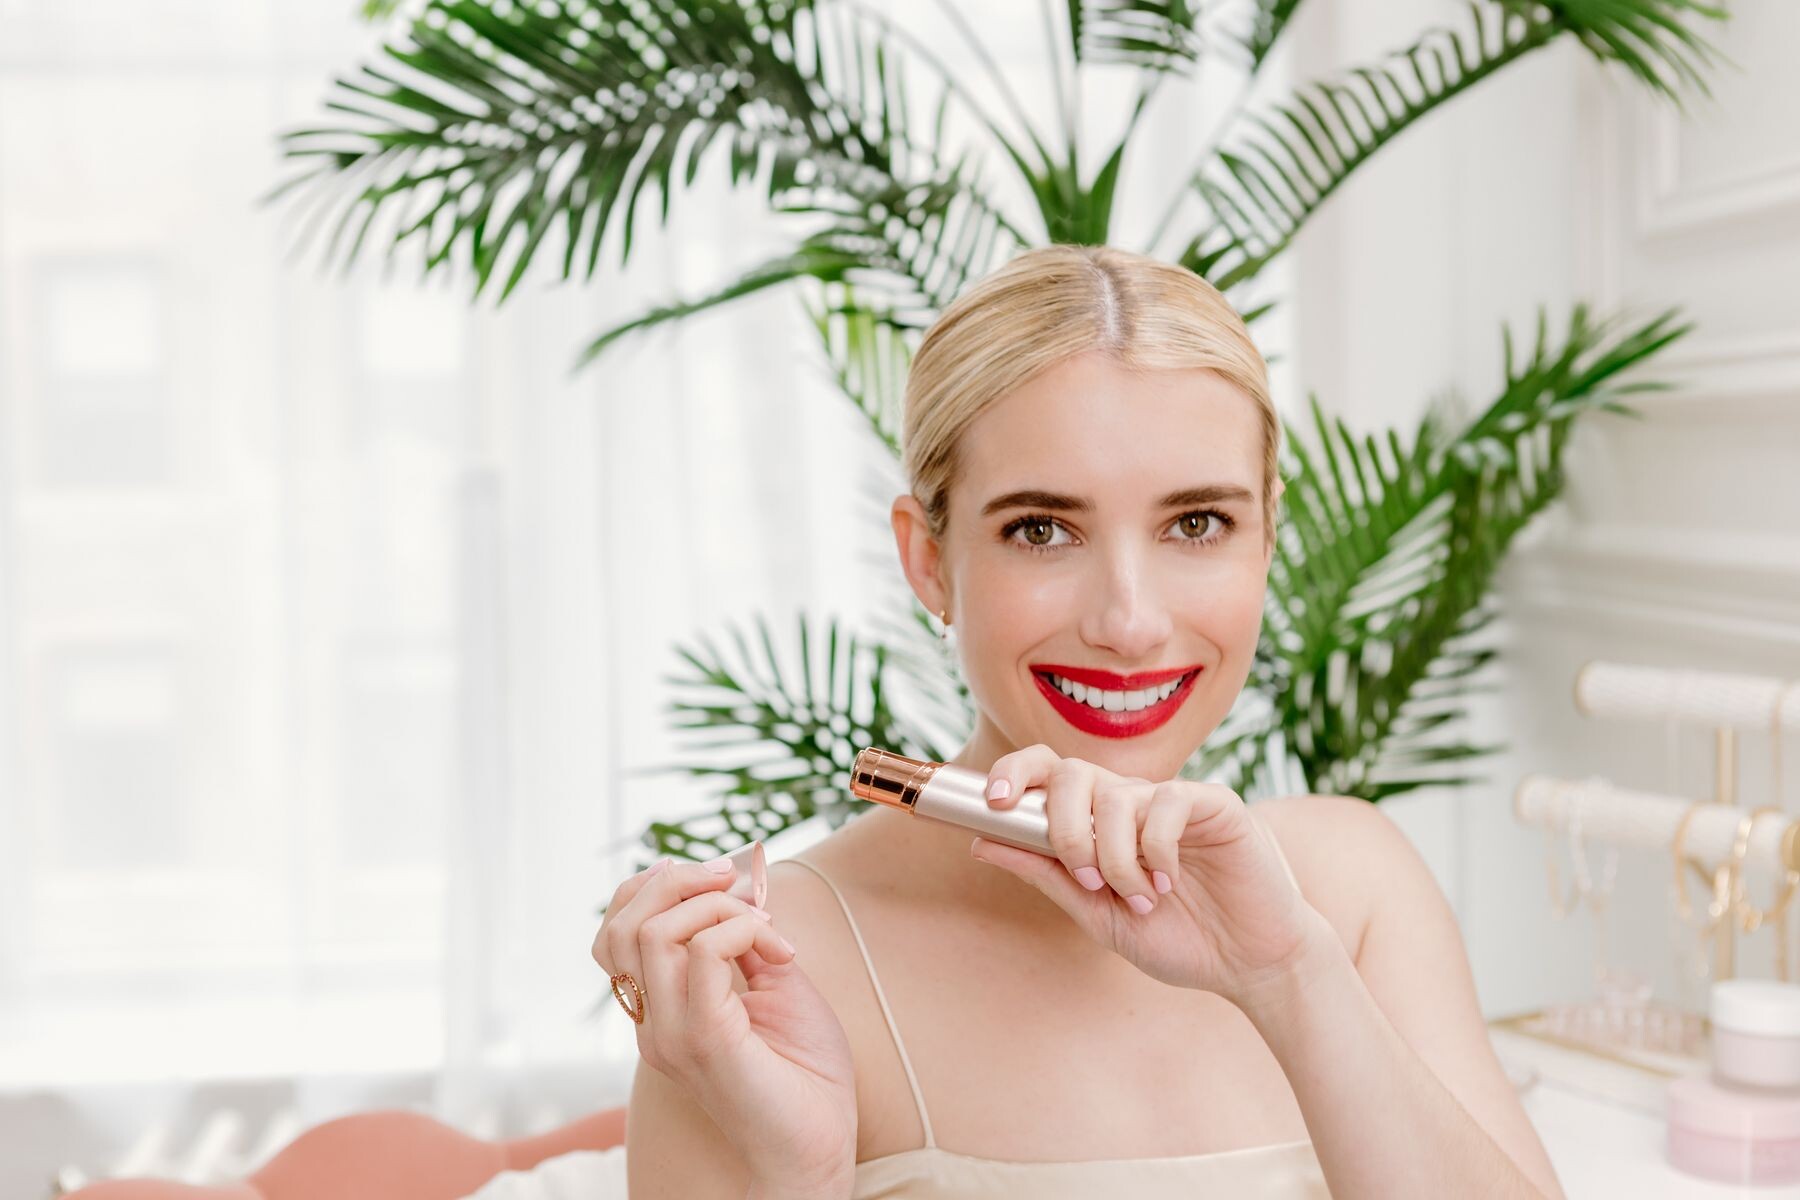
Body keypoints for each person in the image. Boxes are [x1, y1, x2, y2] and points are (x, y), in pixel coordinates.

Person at [594, 244, 1566, 1199]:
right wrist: (794, 1176)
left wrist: (1288, 976)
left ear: (1268, 533)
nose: (1129, 623)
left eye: (1197, 524)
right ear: (928, 561)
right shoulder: (764, 975)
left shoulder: (1353, 893)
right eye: (1042, 530)